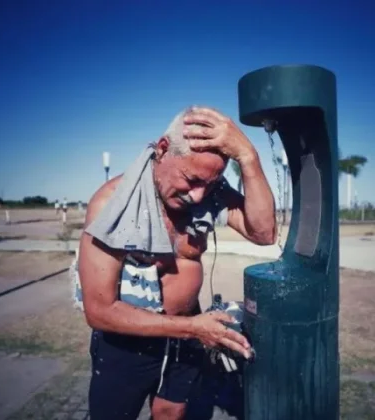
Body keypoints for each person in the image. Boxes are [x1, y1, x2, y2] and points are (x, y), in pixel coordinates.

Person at [77, 106, 276, 420]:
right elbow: (99, 310)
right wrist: (193, 329)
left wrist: (248, 155)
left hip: (188, 332)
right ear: (163, 149)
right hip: (128, 343)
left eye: (210, 185)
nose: (198, 197)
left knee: (172, 412)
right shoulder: (112, 203)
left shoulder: (208, 191)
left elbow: (264, 233)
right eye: (191, 179)